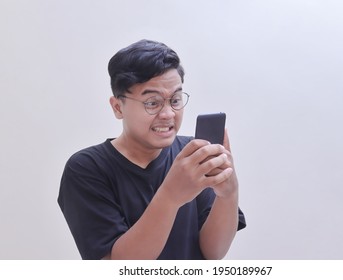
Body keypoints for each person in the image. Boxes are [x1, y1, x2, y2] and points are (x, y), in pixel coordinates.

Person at [58, 39, 246, 260]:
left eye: (175, 100)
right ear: (118, 107)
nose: (168, 114)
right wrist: (170, 196)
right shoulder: (87, 168)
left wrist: (229, 194)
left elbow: (212, 253)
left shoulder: (191, 153)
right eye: (152, 103)